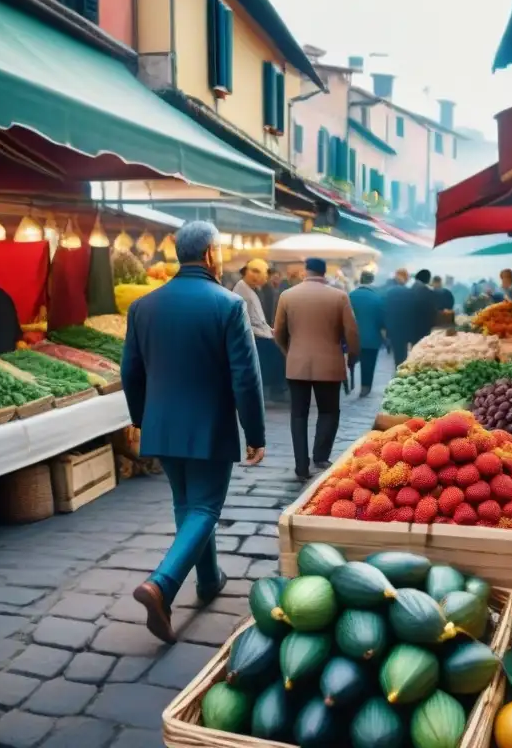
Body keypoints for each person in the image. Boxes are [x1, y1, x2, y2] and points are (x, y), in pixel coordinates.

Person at [123, 221, 265, 643]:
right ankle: (162, 585)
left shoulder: (143, 306)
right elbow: (246, 377)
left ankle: (209, 580)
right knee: (204, 508)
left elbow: (130, 370)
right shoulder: (227, 305)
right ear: (209, 254)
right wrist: (254, 432)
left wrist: (140, 418)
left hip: (161, 424)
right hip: (209, 426)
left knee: (187, 503)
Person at [274, 257, 359, 479]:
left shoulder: (287, 295)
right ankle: (320, 456)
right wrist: (352, 357)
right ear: (324, 272)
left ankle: (301, 465)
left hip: (297, 364)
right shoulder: (339, 296)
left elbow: (279, 332)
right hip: (329, 364)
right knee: (329, 411)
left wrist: (290, 352)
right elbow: (352, 333)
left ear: (305, 271)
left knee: (299, 415)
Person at [233, 259, 286, 402]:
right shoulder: (243, 291)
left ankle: (276, 389)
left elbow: (258, 318)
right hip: (257, 337)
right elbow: (246, 321)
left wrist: (270, 330)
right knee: (274, 359)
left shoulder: (250, 289)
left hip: (262, 334)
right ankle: (274, 390)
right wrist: (267, 333)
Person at [349, 271, 386, 397]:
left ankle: (349, 383)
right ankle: (365, 386)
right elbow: (382, 320)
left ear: (360, 280)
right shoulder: (378, 298)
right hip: (372, 338)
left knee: (350, 361)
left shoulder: (350, 296)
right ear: (372, 281)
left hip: (352, 338)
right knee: (369, 363)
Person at [384, 268, 413, 365]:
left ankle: (398, 371)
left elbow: (386, 309)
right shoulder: (408, 292)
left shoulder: (390, 291)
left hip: (393, 327)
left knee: (398, 355)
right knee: (403, 355)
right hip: (404, 328)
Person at [410, 269, 437, 344]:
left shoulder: (412, 289)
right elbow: (432, 309)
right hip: (424, 325)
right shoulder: (426, 291)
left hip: (413, 325)